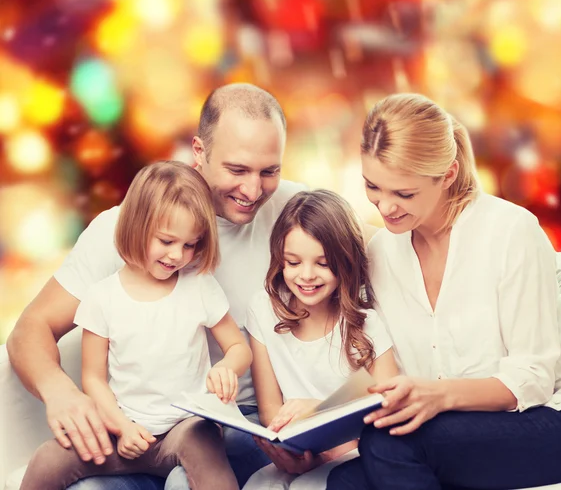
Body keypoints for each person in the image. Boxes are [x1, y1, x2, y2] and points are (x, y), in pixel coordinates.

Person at [7, 83, 305, 490]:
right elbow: (30, 329)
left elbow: (371, 248)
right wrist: (62, 393)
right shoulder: (125, 229)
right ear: (199, 151)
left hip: (235, 419)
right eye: (237, 170)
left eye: (269, 171)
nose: (253, 191)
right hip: (131, 425)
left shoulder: (298, 215)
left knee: (189, 474)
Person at [326, 93, 561, 490]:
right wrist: (318, 428)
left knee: (388, 446)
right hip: (462, 430)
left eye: (404, 194)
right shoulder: (382, 253)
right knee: (346, 482)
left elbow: (532, 379)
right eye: (373, 187)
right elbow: (386, 368)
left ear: (449, 174)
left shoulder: (510, 231)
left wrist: (438, 396)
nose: (386, 208)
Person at [20, 161, 251, 490]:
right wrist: (121, 427)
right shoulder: (103, 298)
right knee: (48, 460)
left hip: (186, 429)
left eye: (190, 245)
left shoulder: (199, 285)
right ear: (137, 226)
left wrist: (228, 367)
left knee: (204, 445)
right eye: (167, 241)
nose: (177, 256)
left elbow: (239, 348)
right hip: (125, 431)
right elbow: (94, 380)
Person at [243, 189, 398, 490]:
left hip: (355, 456)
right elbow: (270, 410)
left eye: (323, 263)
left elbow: (387, 412)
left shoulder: (369, 325)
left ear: (345, 261)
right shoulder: (263, 309)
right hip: (296, 453)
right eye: (293, 262)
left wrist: (319, 417)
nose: (306, 276)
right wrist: (290, 448)